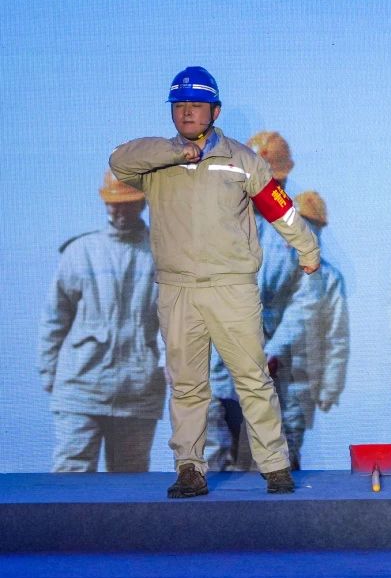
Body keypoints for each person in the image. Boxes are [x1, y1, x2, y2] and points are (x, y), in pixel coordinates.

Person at [109, 66, 318, 497]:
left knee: (253, 379)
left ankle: (275, 466)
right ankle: (190, 468)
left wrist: (307, 248)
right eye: (179, 105)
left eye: (196, 105)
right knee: (187, 386)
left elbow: (279, 208)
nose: (187, 112)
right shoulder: (154, 162)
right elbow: (118, 161)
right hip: (178, 290)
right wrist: (174, 153)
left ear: (215, 111)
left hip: (231, 288)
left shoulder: (242, 161)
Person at [206, 130, 318, 471]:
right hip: (219, 364)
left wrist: (276, 348)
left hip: (273, 366)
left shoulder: (295, 229)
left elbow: (305, 299)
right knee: (216, 461)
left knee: (274, 463)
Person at [38, 171, 164, 472]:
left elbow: (177, 324)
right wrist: (48, 373)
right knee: (71, 476)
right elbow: (55, 319)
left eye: (128, 203)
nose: (120, 211)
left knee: (129, 483)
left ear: (143, 202)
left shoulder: (164, 254)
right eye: (114, 203)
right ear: (105, 202)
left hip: (139, 391)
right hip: (80, 388)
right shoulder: (79, 252)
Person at [275, 190, 349, 469]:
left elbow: (337, 337)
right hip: (252, 382)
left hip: (299, 382)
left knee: (286, 453)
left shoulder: (329, 280)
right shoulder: (262, 271)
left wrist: (331, 387)